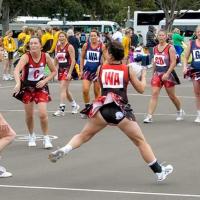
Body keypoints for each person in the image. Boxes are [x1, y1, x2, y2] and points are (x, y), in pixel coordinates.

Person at [49, 40, 173, 182]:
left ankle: (65, 149)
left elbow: (103, 86)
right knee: (140, 142)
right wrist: (143, 76)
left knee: (83, 135)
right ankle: (159, 172)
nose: (105, 53)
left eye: (107, 51)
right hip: (120, 110)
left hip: (102, 109)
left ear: (111, 55)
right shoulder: (127, 69)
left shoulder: (101, 68)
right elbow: (141, 89)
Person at [13, 36, 57, 148]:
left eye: (35, 43)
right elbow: (16, 70)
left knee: (42, 114)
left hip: (40, 87)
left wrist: (45, 81)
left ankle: (46, 138)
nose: (32, 45)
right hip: (27, 87)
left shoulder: (45, 56)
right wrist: (18, 83)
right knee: (29, 115)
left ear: (40, 46)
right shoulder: (26, 56)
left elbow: (54, 71)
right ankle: (31, 135)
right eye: (31, 43)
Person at [143, 30, 184, 123]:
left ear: (166, 37)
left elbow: (173, 62)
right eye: (159, 35)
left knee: (172, 96)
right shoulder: (154, 48)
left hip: (167, 74)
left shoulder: (170, 47)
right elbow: (154, 61)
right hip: (158, 73)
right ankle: (149, 116)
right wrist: (153, 73)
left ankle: (180, 110)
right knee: (154, 94)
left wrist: (167, 73)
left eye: (163, 35)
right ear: (157, 37)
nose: (161, 37)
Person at [80, 29, 106, 118]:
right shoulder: (86, 45)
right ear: (89, 37)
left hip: (97, 71)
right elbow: (82, 58)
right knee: (85, 90)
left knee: (96, 92)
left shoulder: (102, 46)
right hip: (87, 70)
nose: (93, 37)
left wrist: (101, 67)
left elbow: (106, 60)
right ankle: (87, 107)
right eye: (91, 36)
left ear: (98, 37)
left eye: (95, 35)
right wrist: (81, 70)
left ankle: (95, 109)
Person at [53, 31, 80, 116]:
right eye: (59, 37)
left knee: (62, 88)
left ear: (66, 37)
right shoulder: (57, 47)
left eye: (62, 36)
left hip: (68, 69)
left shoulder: (69, 46)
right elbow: (56, 60)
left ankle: (61, 109)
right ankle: (74, 105)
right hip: (61, 69)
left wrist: (69, 73)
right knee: (65, 90)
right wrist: (54, 71)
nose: (61, 38)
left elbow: (73, 61)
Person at [183, 25, 200, 123]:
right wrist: (185, 67)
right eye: (198, 32)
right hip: (195, 71)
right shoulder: (192, 43)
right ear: (196, 33)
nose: (199, 33)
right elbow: (185, 57)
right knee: (197, 93)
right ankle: (198, 114)